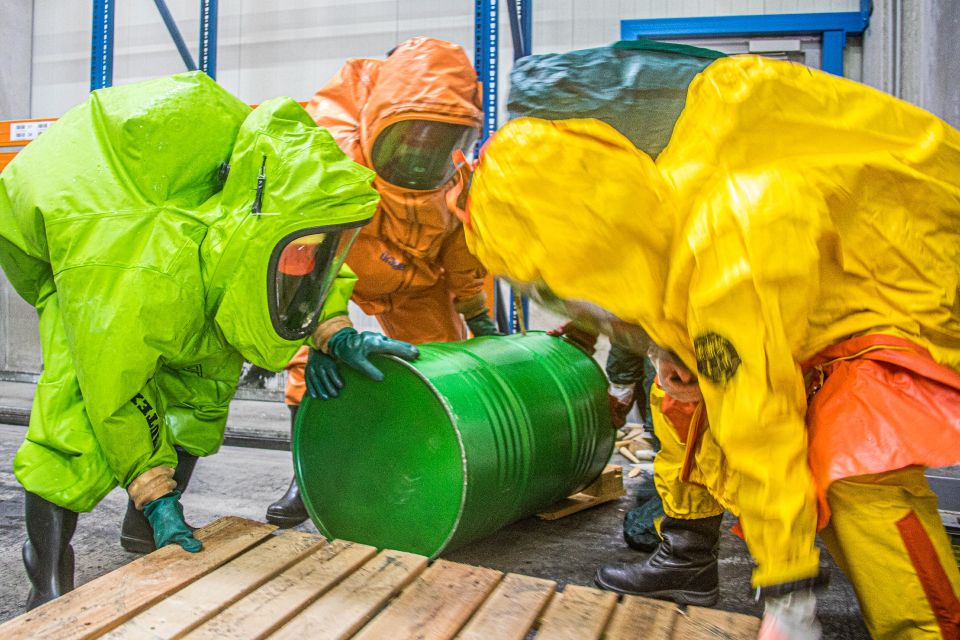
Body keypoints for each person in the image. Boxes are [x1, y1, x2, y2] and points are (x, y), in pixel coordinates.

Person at [463, 55, 960, 639]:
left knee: (857, 469)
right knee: (684, 403)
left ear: (583, 242)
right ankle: (688, 557)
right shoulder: (657, 217)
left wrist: (787, 590)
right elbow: (659, 287)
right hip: (832, 299)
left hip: (914, 289)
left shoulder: (732, 245)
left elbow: (760, 421)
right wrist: (679, 352)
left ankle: (929, 629)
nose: (565, 300)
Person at [0, 71, 417, 610]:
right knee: (77, 420)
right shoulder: (131, 270)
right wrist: (151, 486)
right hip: (83, 232)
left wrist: (332, 329)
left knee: (199, 397)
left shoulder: (277, 194)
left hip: (185, 232)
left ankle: (143, 530)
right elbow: (116, 388)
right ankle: (48, 575)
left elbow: (299, 254)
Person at [266, 37, 500, 527]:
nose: (422, 153)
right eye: (411, 136)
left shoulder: (455, 177)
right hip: (335, 277)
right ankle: (306, 479)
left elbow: (461, 247)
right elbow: (304, 263)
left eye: (441, 139)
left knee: (439, 369)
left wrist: (477, 313)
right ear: (377, 122)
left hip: (417, 285)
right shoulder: (328, 158)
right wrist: (322, 331)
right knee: (310, 367)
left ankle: (424, 467)